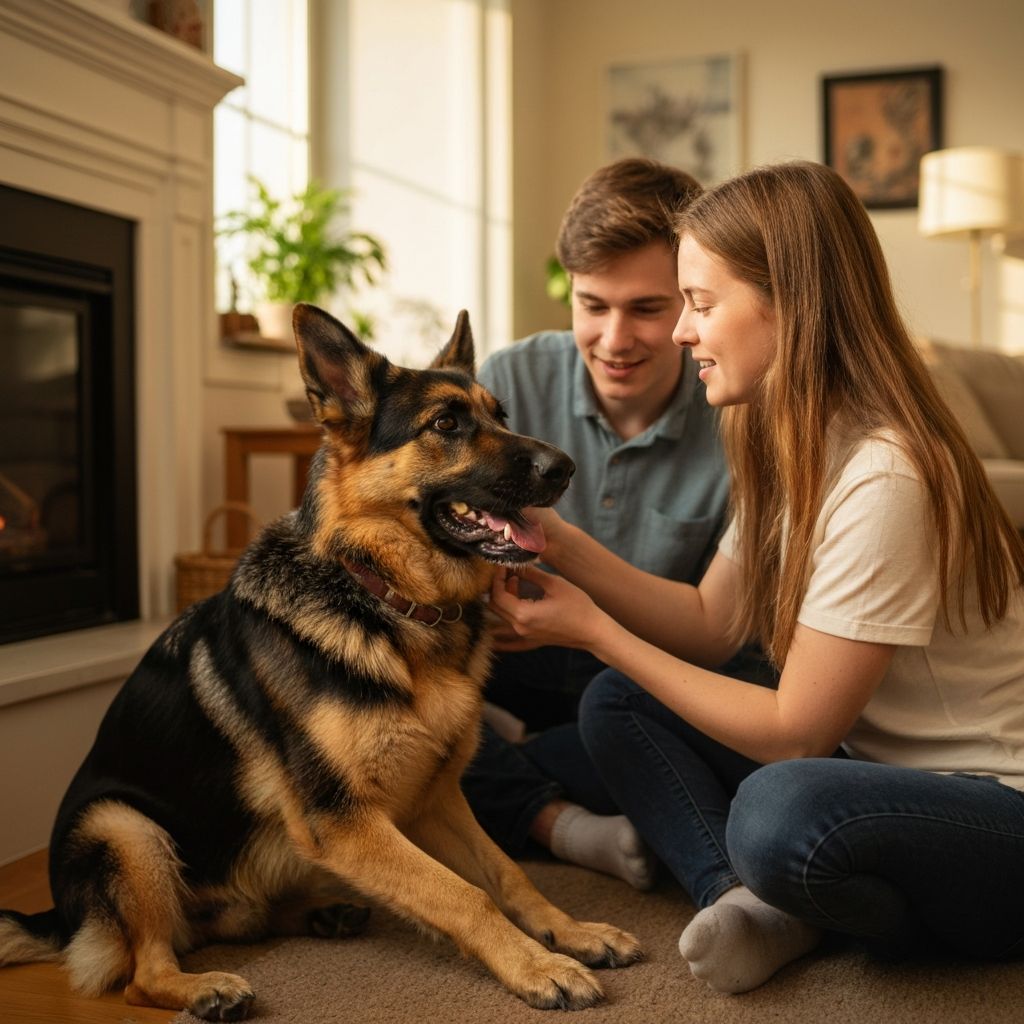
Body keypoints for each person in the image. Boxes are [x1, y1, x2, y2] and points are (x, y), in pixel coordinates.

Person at [486, 160, 1024, 993]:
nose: (679, 334)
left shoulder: (885, 474)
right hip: (873, 767)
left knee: (785, 813)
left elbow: (795, 736)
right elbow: (710, 621)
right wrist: (554, 544)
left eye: (699, 304)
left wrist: (592, 629)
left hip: (991, 803)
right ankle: (742, 896)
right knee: (617, 702)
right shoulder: (797, 441)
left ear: (792, 306)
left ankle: (824, 901)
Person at [461, 157, 735, 890]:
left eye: (647, 308)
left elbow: (722, 640)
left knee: (655, 727)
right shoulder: (510, 379)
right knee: (386, 708)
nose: (614, 340)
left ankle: (532, 769)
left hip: (642, 676)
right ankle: (562, 823)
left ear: (693, 303)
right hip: (505, 649)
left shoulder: (736, 414)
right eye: (592, 305)